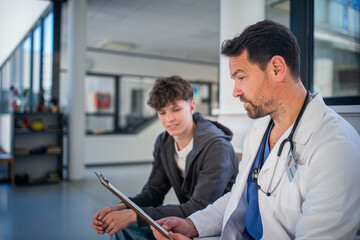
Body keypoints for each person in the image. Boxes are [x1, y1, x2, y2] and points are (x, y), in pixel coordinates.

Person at [151, 20, 360, 240]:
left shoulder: (336, 150)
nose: (235, 92)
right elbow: (239, 197)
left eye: (241, 77)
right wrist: (192, 224)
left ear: (276, 69)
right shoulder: (260, 131)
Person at [92, 75, 239, 239]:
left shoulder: (216, 147)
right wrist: (123, 207)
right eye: (162, 112)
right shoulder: (164, 142)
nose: (169, 119)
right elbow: (153, 193)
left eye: (176, 110)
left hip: (215, 225)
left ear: (191, 107)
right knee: (124, 227)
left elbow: (201, 207)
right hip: (189, 217)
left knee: (132, 224)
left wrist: (135, 215)